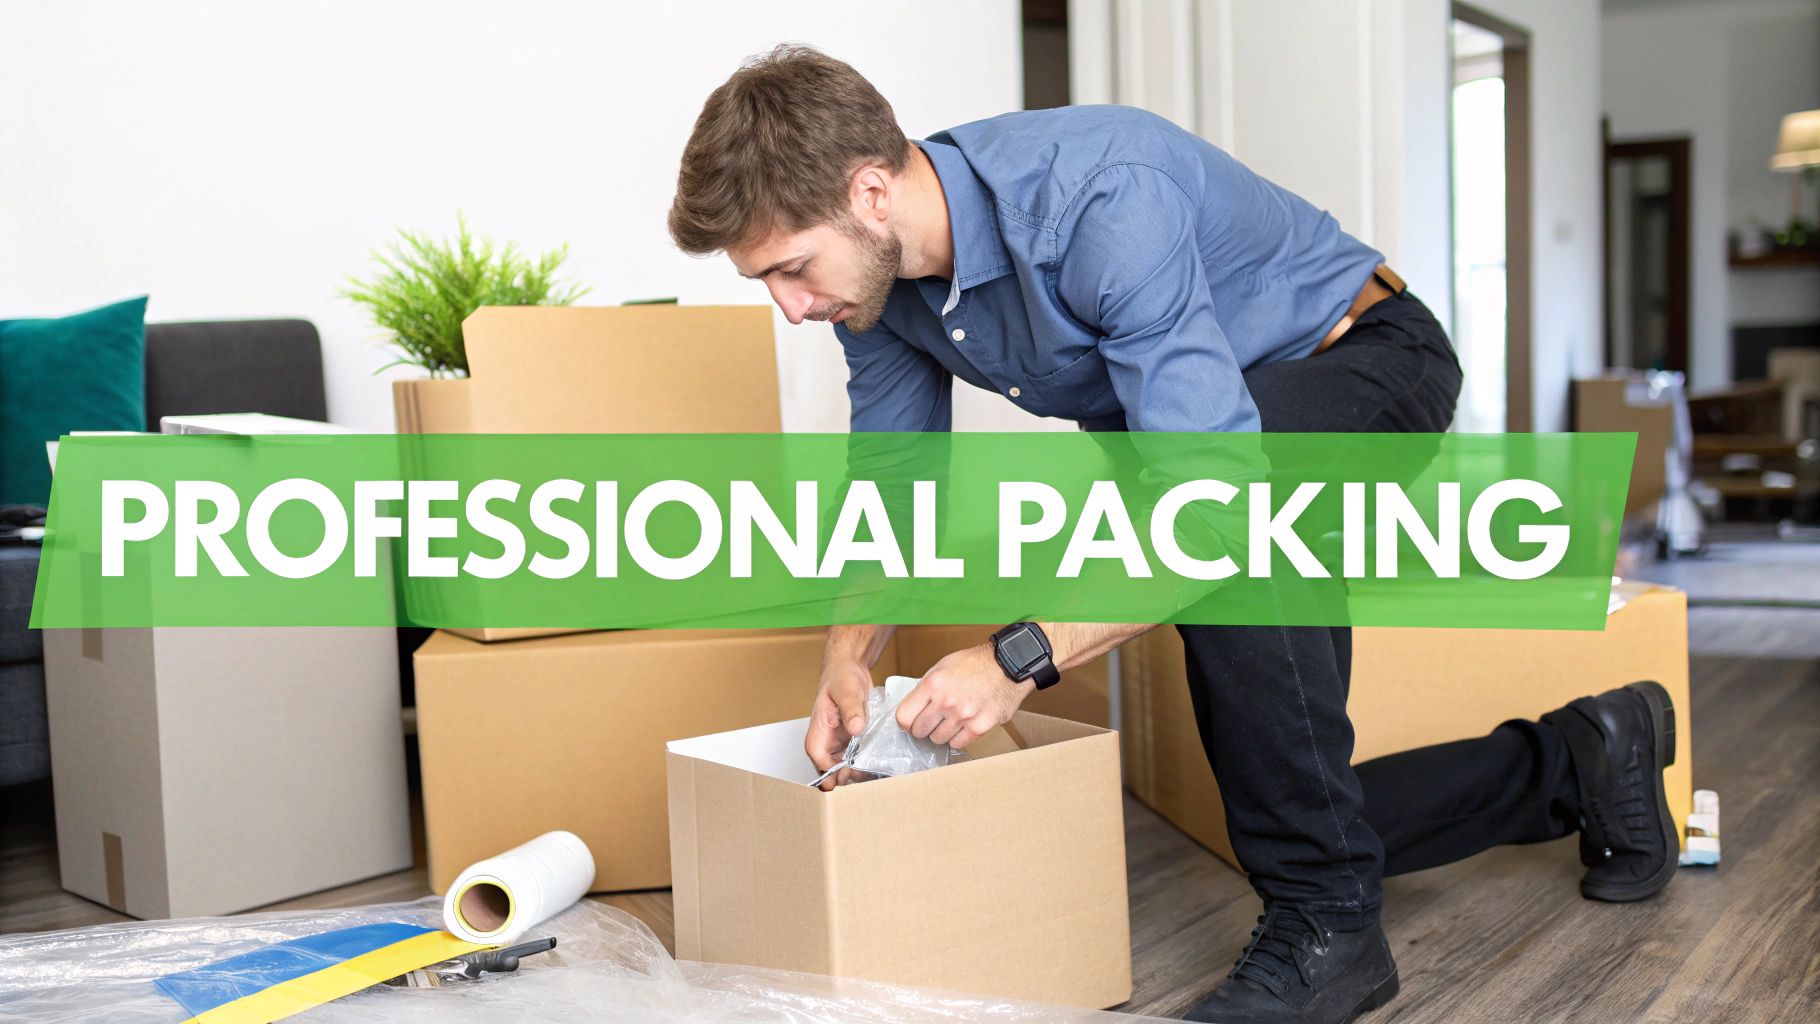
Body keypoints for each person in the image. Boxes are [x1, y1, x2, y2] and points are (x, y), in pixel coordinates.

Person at [667, 45, 1679, 1024]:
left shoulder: (1101, 196)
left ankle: (1329, 932)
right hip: (1203, 432)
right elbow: (891, 492)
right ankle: (1581, 758)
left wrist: (1019, 655)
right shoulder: (877, 296)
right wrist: (847, 659)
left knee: (1229, 592)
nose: (791, 308)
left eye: (791, 268)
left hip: (1360, 361)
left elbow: (1215, 511)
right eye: (767, 283)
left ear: (869, 194)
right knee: (1295, 808)